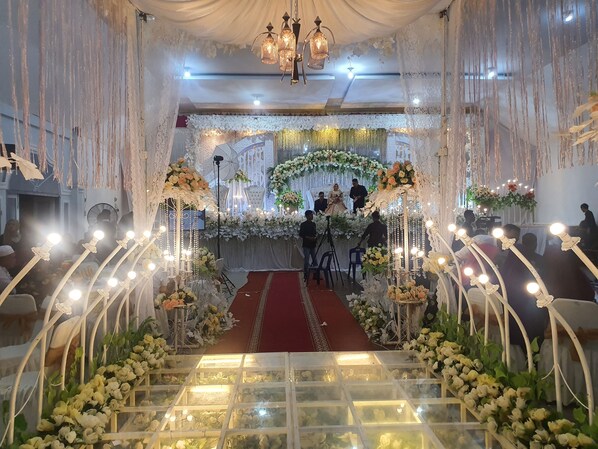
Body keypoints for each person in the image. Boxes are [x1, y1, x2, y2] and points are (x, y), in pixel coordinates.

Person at [299, 210, 318, 281]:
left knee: (315, 260)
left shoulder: (313, 224)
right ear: (307, 216)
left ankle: (315, 274)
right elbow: (301, 234)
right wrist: (308, 237)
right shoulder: (303, 224)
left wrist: (315, 237)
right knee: (306, 260)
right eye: (311, 215)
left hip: (313, 244)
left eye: (312, 215)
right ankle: (306, 274)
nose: (312, 216)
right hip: (306, 244)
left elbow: (314, 232)